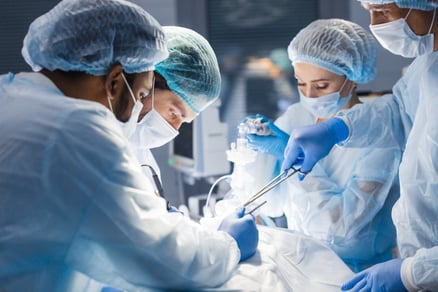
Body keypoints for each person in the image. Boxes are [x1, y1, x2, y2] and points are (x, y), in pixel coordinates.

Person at [0, 0, 258, 291]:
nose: (141, 109)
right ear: (114, 83)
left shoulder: (8, 93)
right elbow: (170, 264)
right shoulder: (79, 132)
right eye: (143, 93)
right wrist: (228, 244)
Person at [280, 0, 438, 291]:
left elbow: (343, 228)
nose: (376, 25)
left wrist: (416, 272)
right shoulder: (428, 66)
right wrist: (340, 128)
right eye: (370, 12)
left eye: (384, 11)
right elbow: (399, 110)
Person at [244, 19, 401, 272]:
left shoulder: (381, 136)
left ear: (352, 77)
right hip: (302, 265)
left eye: (321, 86)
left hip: (359, 273)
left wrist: (298, 164)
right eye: (300, 83)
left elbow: (341, 229)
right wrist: (254, 154)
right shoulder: (295, 118)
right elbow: (271, 204)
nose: (309, 95)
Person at [128, 26, 220, 190]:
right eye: (174, 113)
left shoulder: (136, 151)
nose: (174, 129)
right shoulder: (91, 138)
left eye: (184, 122)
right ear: (148, 82)